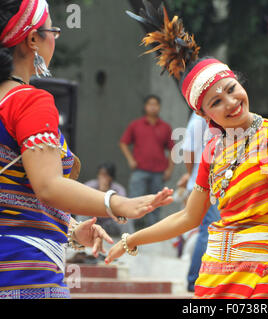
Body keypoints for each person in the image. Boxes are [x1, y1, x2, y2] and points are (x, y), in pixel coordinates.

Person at [107, 3, 268, 300]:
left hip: (266, 275)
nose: (230, 102)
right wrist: (132, 239)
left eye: (231, 88)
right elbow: (188, 217)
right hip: (213, 275)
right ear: (204, 117)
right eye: (215, 102)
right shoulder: (212, 150)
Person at [0, 0, 173, 299]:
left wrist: (70, 231)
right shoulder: (29, 100)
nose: (58, 36)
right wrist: (117, 203)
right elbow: (48, 186)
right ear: (31, 39)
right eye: (53, 30)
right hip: (24, 273)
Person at [177, 112, 220, 292]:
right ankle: (195, 280)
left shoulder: (216, 116)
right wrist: (192, 174)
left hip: (216, 183)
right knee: (209, 230)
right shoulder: (199, 119)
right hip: (204, 184)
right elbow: (188, 151)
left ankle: (199, 279)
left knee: (210, 230)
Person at [120, 94, 175, 228]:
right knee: (133, 200)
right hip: (140, 169)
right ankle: (129, 230)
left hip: (159, 171)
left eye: (155, 104)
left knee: (157, 203)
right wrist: (130, 160)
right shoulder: (136, 125)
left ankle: (153, 230)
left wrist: (169, 169)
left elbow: (173, 150)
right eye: (150, 104)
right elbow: (123, 143)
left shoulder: (165, 127)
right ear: (145, 107)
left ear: (159, 107)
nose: (153, 107)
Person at [78, 162, 133, 237]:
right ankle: (78, 238)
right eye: (101, 174)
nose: (102, 177)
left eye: (105, 175)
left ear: (111, 177)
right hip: (94, 221)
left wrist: (105, 191)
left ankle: (129, 242)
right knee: (81, 212)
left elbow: (121, 207)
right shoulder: (90, 185)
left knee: (126, 217)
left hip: (111, 222)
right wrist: (101, 191)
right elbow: (82, 201)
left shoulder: (118, 189)